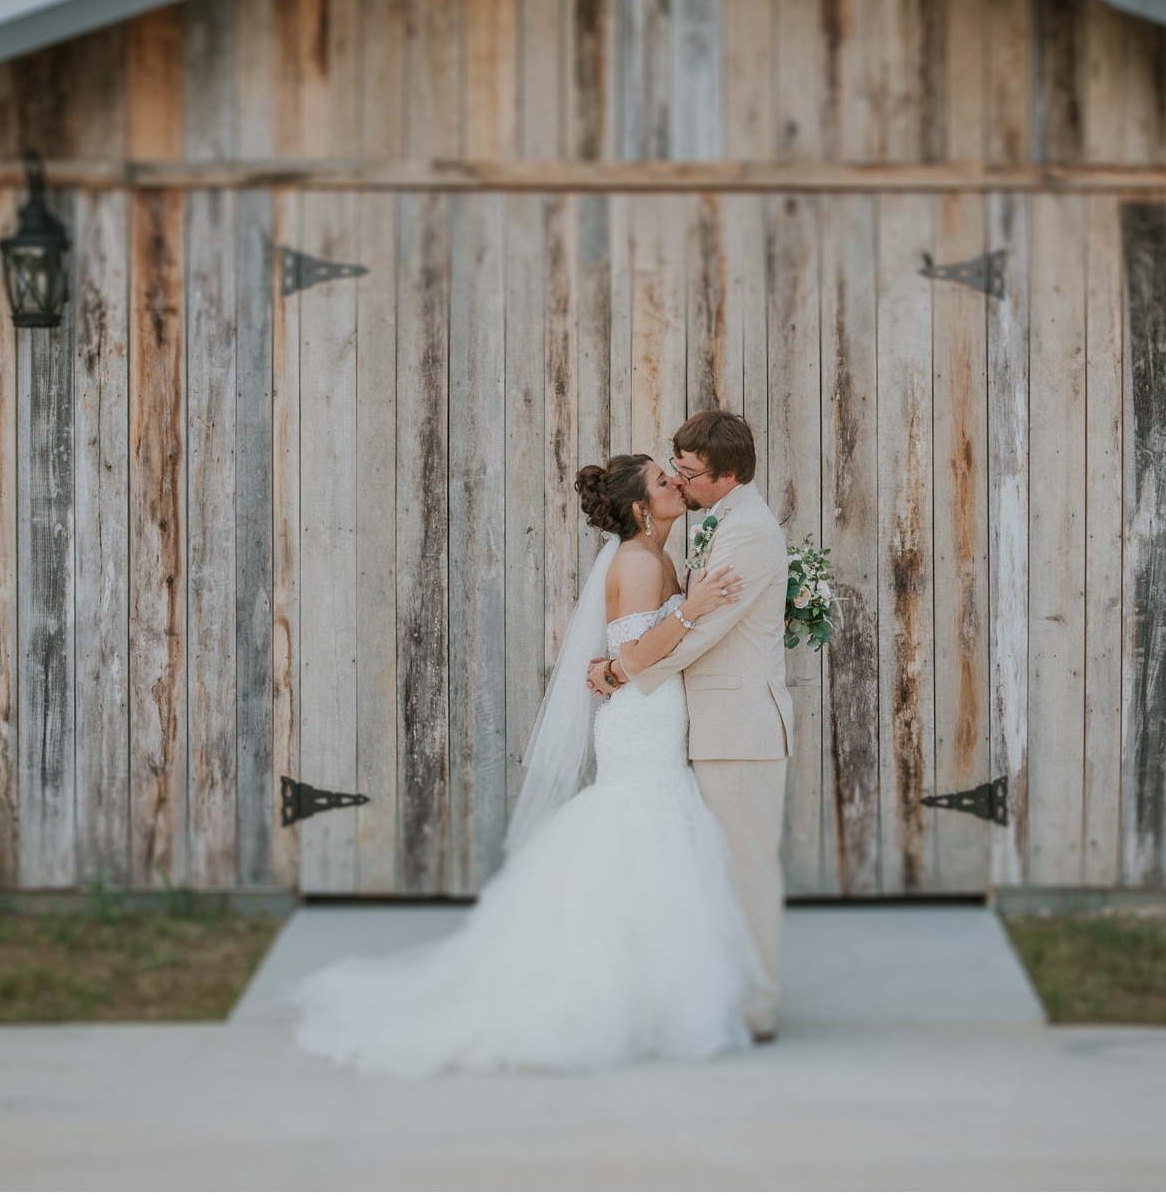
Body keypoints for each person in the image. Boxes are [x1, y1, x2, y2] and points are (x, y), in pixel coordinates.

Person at [288, 454, 762, 1077]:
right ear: (642, 508)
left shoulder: (659, 558)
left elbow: (630, 656)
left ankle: (643, 991)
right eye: (663, 480)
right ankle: (606, 998)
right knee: (641, 828)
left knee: (650, 835)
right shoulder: (642, 562)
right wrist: (691, 609)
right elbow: (642, 655)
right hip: (640, 725)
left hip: (650, 715)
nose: (676, 482)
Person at [587, 411, 793, 1041]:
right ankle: (688, 994)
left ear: (727, 476)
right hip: (682, 726)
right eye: (669, 471)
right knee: (699, 870)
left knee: (743, 873)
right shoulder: (690, 537)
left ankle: (752, 1009)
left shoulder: (746, 532)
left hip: (735, 729)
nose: (678, 478)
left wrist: (620, 671)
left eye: (689, 472)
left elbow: (702, 631)